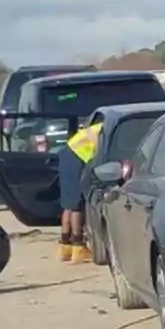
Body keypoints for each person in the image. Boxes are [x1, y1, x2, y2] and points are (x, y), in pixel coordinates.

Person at [58, 112, 100, 263]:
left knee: (68, 204)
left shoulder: (93, 129)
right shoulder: (103, 130)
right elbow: (99, 153)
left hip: (67, 154)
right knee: (77, 205)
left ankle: (65, 247)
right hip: (76, 158)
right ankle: (78, 246)